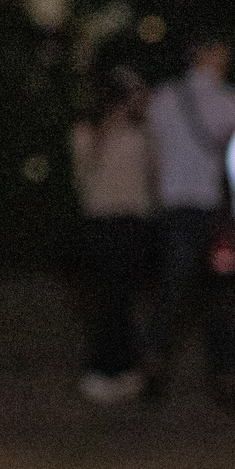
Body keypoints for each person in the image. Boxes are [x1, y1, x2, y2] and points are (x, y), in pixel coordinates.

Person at [142, 34, 235, 403]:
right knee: (221, 293)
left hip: (174, 208)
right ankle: (224, 376)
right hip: (214, 209)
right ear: (211, 52)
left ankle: (154, 365)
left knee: (171, 291)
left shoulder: (162, 98)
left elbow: (152, 154)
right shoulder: (234, 102)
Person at [69, 67, 156, 404]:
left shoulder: (142, 134)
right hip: (102, 221)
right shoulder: (88, 130)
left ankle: (122, 368)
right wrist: (109, 124)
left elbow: (151, 175)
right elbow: (84, 168)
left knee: (125, 298)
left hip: (133, 222)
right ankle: (103, 368)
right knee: (109, 297)